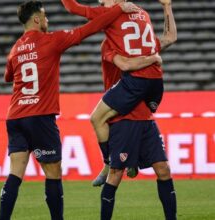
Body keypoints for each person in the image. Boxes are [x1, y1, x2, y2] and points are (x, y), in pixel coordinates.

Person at [0, 1, 139, 219]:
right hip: (39, 116)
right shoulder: (51, 40)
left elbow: (7, 77)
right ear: (36, 19)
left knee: (15, 173)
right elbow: (87, 30)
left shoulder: (15, 49)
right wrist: (118, 10)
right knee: (53, 172)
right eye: (44, 16)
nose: (47, 20)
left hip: (15, 116)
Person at [62, 0, 178, 219]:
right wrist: (153, 58)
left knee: (163, 169)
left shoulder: (133, 39)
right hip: (123, 114)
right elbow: (127, 63)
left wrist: (167, 6)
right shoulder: (109, 45)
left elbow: (167, 40)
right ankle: (109, 163)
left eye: (104, 1)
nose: (102, 4)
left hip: (141, 111)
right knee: (115, 173)